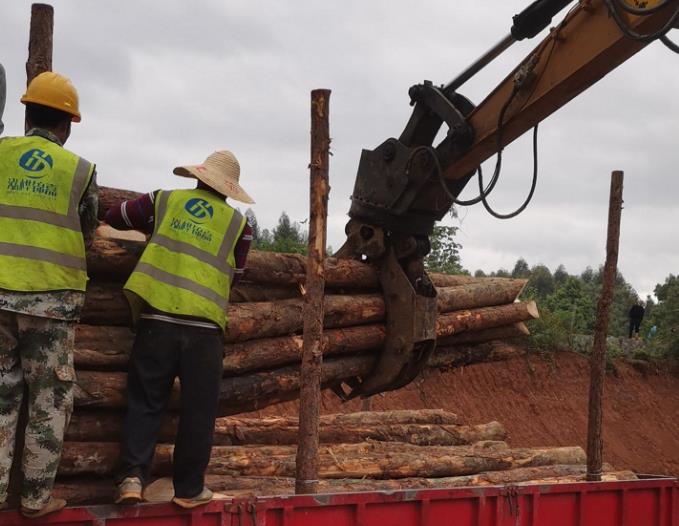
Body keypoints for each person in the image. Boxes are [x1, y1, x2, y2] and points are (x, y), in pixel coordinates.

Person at [105, 150, 253, 508]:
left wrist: (153, 230)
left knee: (146, 402)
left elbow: (115, 216)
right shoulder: (240, 226)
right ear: (228, 189)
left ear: (198, 177)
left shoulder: (164, 200)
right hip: (204, 328)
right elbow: (237, 274)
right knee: (198, 410)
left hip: (156, 318)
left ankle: (131, 478)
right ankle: (188, 490)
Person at [0, 72, 98, 517]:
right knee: (50, 397)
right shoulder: (80, 169)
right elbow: (89, 231)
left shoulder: (0, 154)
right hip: (52, 303)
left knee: (2, 395)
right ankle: (35, 498)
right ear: (68, 124)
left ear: (26, 113)